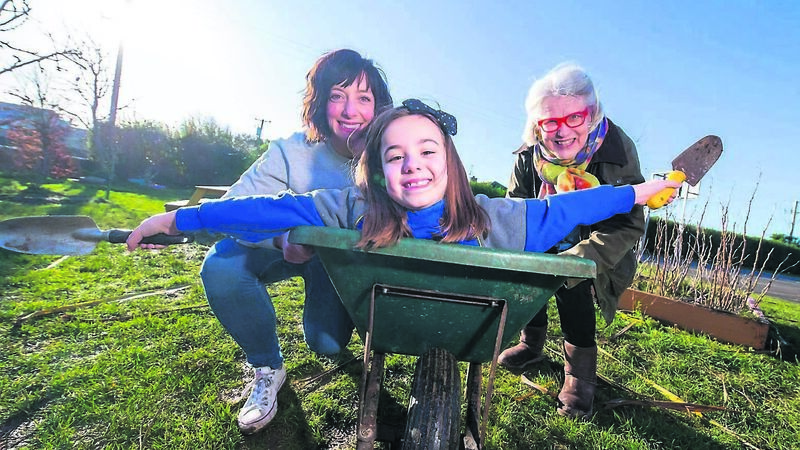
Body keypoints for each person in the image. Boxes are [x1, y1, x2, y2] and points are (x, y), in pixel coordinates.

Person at [127, 99, 677, 371]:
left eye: (428, 151)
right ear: (378, 170)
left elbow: (579, 205)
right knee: (327, 337)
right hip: (384, 309)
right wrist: (180, 219)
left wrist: (642, 190)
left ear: (450, 162)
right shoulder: (351, 207)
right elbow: (269, 211)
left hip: (468, 319)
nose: (413, 166)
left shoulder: (496, 219)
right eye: (396, 156)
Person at [196, 49, 392, 435]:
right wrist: (281, 238)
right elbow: (233, 208)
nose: (350, 110)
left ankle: (336, 326)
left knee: (327, 345)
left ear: (380, 106)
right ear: (320, 102)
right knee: (221, 267)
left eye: (364, 98)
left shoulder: (391, 154)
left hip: (339, 264)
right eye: (337, 95)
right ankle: (267, 366)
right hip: (286, 249)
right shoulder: (291, 151)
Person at [496, 62, 647, 419]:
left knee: (571, 276)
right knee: (528, 265)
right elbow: (515, 207)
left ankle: (579, 375)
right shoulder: (528, 155)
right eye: (550, 122)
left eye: (574, 118)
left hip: (594, 243)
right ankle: (531, 344)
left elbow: (628, 221)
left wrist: (579, 258)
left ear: (591, 114)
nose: (562, 132)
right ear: (537, 125)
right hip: (544, 232)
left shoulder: (616, 148)